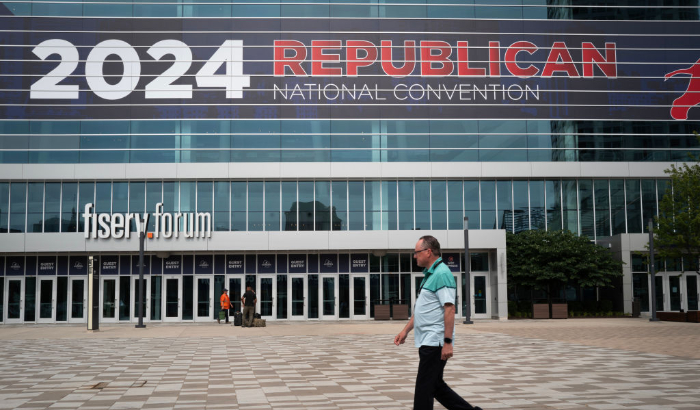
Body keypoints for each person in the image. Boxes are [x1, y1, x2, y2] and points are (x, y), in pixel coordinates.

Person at [394, 235, 482, 410]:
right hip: (428, 340)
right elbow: (422, 310)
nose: (414, 256)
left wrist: (448, 343)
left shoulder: (441, 273)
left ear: (428, 252)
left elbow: (449, 309)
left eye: (416, 252)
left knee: (424, 388)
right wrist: (405, 331)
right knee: (434, 386)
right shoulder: (431, 274)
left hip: (435, 341)